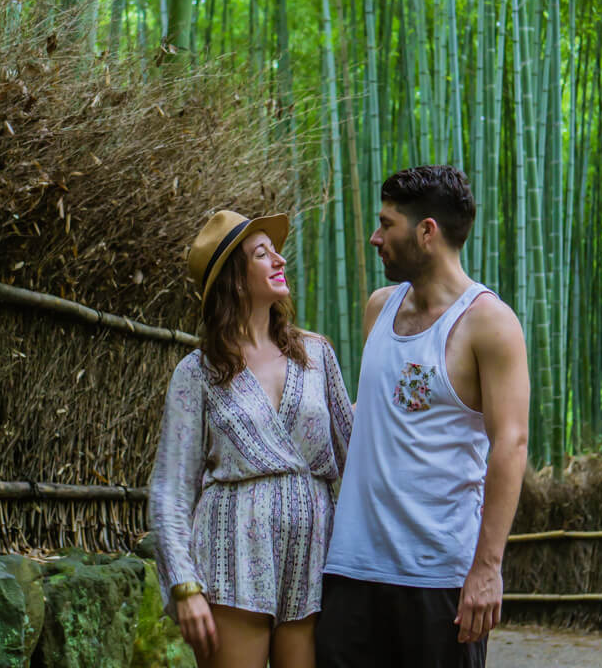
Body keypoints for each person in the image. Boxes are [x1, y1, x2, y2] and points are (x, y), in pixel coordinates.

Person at [316, 165, 530, 668]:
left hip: (437, 578)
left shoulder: (488, 323)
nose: (375, 237)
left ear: (426, 231)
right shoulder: (378, 309)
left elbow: (512, 444)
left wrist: (487, 570)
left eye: (386, 224)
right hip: (352, 570)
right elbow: (370, 418)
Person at [149, 210, 353, 668]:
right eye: (263, 253)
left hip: (311, 562)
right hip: (232, 558)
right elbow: (170, 489)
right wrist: (185, 586)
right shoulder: (197, 373)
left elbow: (356, 455)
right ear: (235, 281)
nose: (280, 259)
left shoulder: (317, 355)